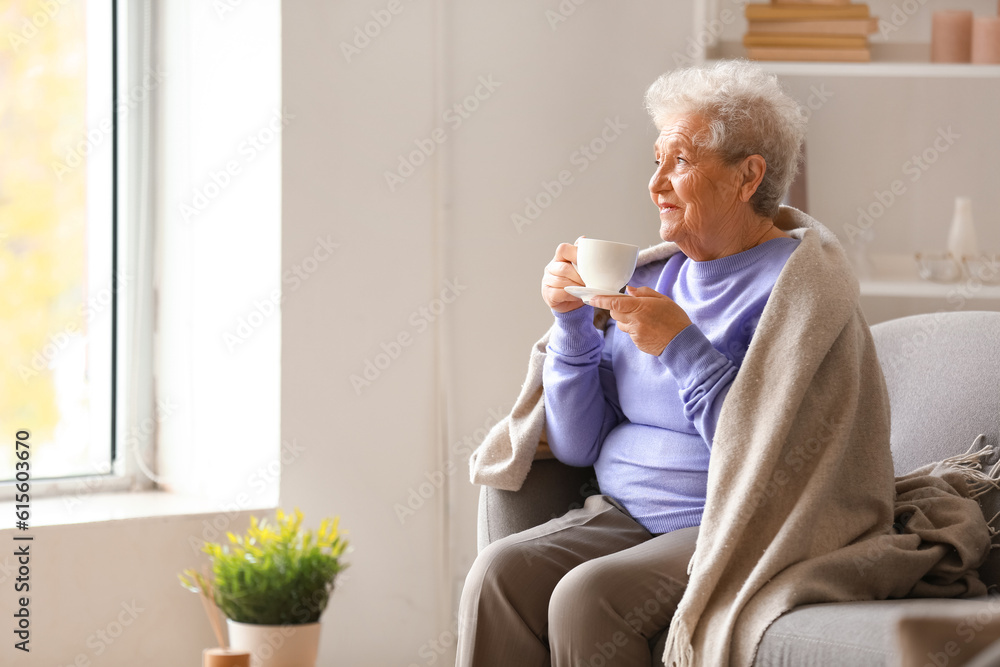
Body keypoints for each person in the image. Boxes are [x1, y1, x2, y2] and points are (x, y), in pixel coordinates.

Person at [457, 59, 807, 666]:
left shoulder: (796, 291)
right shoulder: (655, 276)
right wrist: (571, 325)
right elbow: (576, 444)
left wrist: (681, 346)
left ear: (748, 176)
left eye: (680, 161)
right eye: (656, 161)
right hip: (624, 514)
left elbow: (771, 458)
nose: (655, 185)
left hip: (728, 530)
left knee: (588, 598)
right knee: (498, 572)